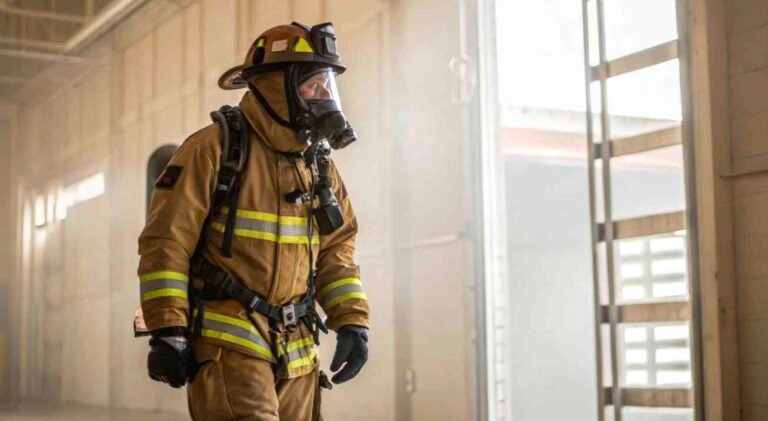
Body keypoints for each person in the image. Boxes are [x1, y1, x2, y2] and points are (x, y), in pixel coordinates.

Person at [136, 22, 370, 420]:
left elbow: (337, 251)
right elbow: (166, 243)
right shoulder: (213, 150)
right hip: (232, 346)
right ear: (278, 87)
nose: (326, 97)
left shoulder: (319, 168)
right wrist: (168, 329)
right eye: (314, 84)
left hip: (299, 354)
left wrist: (351, 321)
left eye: (329, 85)